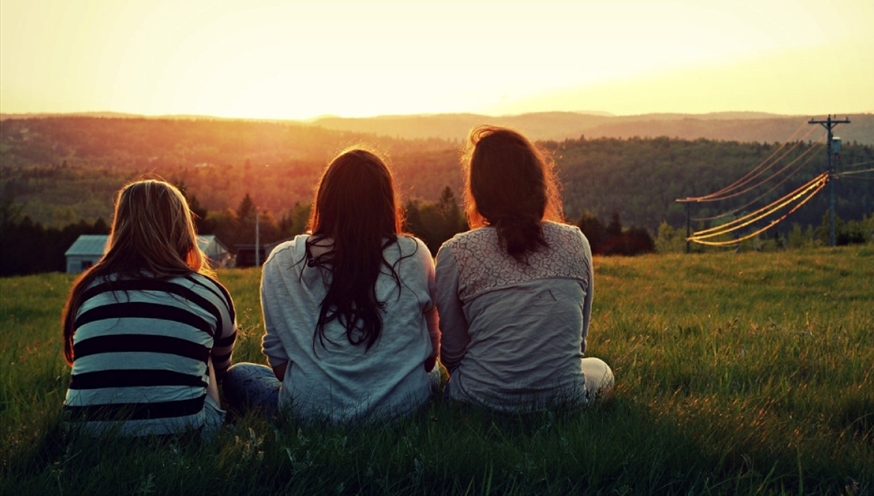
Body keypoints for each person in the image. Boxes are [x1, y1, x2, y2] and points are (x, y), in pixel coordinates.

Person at [222, 148, 440, 423]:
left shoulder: (281, 262)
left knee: (239, 375)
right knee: (429, 374)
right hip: (401, 411)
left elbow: (280, 367)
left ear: (324, 201)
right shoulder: (415, 254)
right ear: (385, 204)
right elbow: (431, 357)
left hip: (311, 414)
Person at [434, 126, 614, 411]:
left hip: (476, 402)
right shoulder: (576, 242)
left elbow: (452, 354)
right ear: (536, 182)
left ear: (478, 191)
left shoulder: (455, 252)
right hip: (564, 401)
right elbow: (577, 343)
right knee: (600, 370)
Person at [61, 179, 237, 438]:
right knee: (206, 355)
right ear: (182, 228)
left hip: (83, 436)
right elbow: (221, 371)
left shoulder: (89, 289)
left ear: (120, 227)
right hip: (183, 436)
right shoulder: (208, 291)